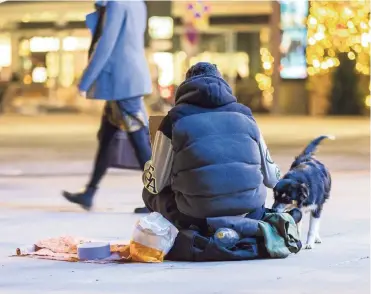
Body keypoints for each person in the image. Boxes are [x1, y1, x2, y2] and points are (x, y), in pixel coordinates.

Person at [142, 62, 281, 230]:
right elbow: (272, 179)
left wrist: (150, 167)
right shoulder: (246, 115)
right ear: (223, 84)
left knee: (149, 193)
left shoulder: (174, 119)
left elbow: (156, 183)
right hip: (250, 213)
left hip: (195, 218)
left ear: (186, 87)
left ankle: (180, 234)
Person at [62, 0, 152, 213]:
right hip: (123, 80)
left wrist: (85, 80)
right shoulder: (136, 2)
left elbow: (106, 44)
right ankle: (90, 192)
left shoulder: (117, 4)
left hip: (122, 82)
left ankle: (160, 197)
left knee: (140, 141)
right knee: (107, 138)